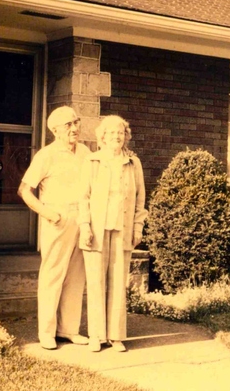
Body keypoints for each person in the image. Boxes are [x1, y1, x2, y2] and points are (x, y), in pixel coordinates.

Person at [18, 106, 91, 350]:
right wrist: (50, 214)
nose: (75, 128)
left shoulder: (85, 152)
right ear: (55, 130)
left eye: (76, 123)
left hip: (81, 218)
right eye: (69, 125)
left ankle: (69, 330)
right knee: (52, 275)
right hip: (56, 218)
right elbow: (24, 191)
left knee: (76, 276)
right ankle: (46, 333)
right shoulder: (45, 155)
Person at [78, 115, 148, 353]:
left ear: (125, 136)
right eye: (111, 133)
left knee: (118, 281)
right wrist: (85, 225)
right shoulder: (92, 161)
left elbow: (141, 198)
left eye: (120, 132)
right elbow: (83, 197)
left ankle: (116, 336)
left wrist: (138, 226)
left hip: (123, 227)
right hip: (96, 230)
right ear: (102, 137)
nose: (116, 136)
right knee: (96, 281)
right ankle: (96, 335)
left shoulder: (132, 163)